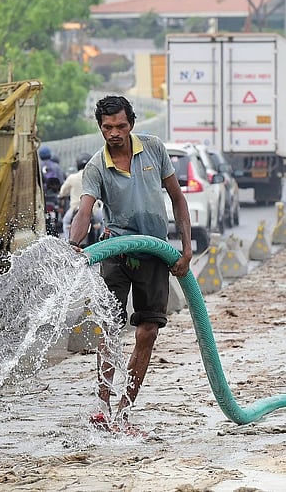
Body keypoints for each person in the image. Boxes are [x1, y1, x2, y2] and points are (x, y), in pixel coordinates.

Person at [68, 95, 193, 432]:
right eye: (107, 127)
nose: (114, 133)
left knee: (147, 331)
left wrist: (186, 249)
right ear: (100, 128)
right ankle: (102, 405)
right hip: (116, 252)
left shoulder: (153, 149)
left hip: (155, 252)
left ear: (131, 125)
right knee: (109, 327)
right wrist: (74, 246)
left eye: (121, 126)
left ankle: (124, 410)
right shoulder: (96, 167)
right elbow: (85, 210)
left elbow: (177, 198)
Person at [59, 153, 102, 241]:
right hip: (94, 208)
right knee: (103, 222)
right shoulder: (95, 175)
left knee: (65, 222)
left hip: (75, 208)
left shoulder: (72, 177)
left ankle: (68, 244)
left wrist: (62, 195)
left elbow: (62, 192)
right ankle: (103, 241)